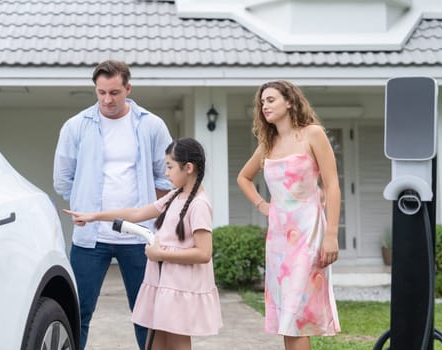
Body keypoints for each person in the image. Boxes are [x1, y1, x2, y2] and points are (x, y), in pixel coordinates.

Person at [53, 60, 173, 350]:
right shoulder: (76, 126)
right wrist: (86, 204)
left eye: (115, 92)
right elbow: (62, 180)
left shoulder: (151, 125)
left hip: (139, 235)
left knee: (147, 314)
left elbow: (168, 176)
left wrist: (151, 215)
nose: (107, 100)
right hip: (90, 239)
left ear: (128, 88)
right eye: (101, 92)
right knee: (78, 311)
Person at [64, 137, 223, 350]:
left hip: (180, 288)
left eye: (169, 167)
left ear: (188, 168)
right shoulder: (175, 195)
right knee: (153, 343)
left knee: (177, 343)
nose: (165, 173)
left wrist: (161, 255)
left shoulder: (199, 204)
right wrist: (94, 216)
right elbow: (138, 212)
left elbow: (204, 253)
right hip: (163, 283)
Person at [237, 80, 341, 350]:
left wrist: (331, 236)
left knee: (297, 313)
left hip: (308, 233)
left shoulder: (313, 134)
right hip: (279, 240)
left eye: (271, 100)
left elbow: (332, 185)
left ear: (290, 102)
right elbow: (244, 178)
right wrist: (263, 206)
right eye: (262, 102)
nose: (265, 106)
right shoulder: (267, 145)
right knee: (287, 315)